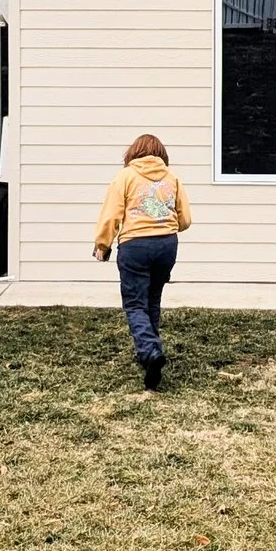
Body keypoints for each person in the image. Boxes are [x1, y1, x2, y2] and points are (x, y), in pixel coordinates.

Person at [93, 133, 192, 390]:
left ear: (133, 153)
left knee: (135, 303)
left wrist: (103, 244)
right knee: (152, 299)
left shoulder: (125, 177)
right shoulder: (172, 178)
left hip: (135, 246)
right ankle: (150, 352)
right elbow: (185, 220)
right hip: (167, 245)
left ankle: (149, 351)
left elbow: (111, 215)